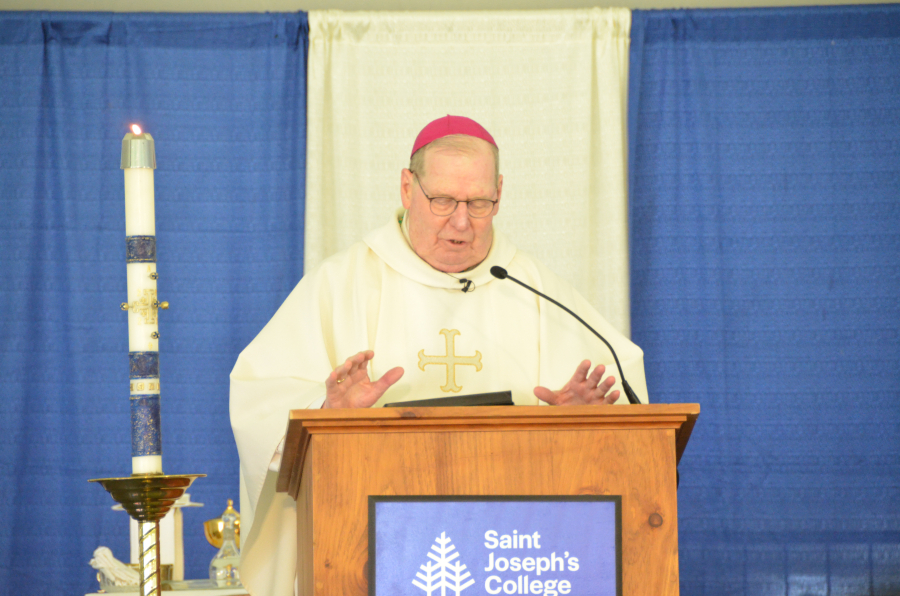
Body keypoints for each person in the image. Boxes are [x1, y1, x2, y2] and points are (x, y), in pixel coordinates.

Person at [230, 115, 648, 596]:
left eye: (479, 203)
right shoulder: (342, 285)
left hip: (514, 561)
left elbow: (626, 407)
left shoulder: (534, 289)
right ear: (407, 188)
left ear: (500, 194)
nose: (461, 221)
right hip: (365, 557)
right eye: (443, 200)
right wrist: (325, 414)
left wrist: (585, 426)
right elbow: (257, 398)